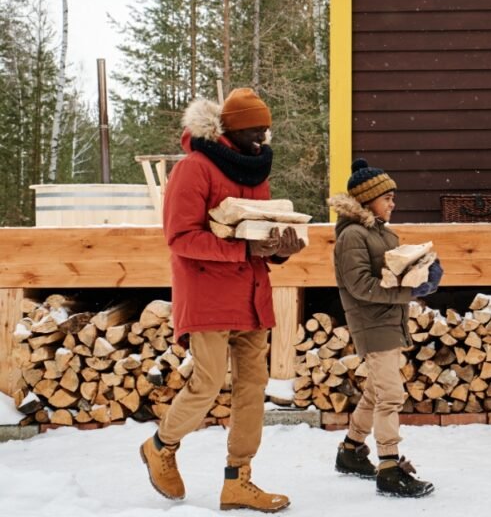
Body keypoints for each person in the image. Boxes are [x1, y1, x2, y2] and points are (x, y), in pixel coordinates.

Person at [140, 88, 305, 512]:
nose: (263, 138)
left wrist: (279, 249)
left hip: (252, 297)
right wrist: (244, 250)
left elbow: (258, 235)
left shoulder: (256, 173)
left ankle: (238, 480)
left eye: (266, 129)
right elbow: (180, 237)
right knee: (208, 383)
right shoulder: (194, 168)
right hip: (207, 296)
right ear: (230, 129)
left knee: (252, 391)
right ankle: (161, 445)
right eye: (255, 130)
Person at [327, 158, 443, 498]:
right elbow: (360, 285)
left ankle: (351, 451)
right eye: (387, 198)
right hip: (372, 323)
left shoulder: (382, 232)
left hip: (389, 319)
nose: (393, 204)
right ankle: (390, 468)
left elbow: (393, 273)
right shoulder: (353, 235)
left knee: (377, 391)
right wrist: (409, 291)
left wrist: (423, 272)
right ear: (368, 200)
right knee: (390, 395)